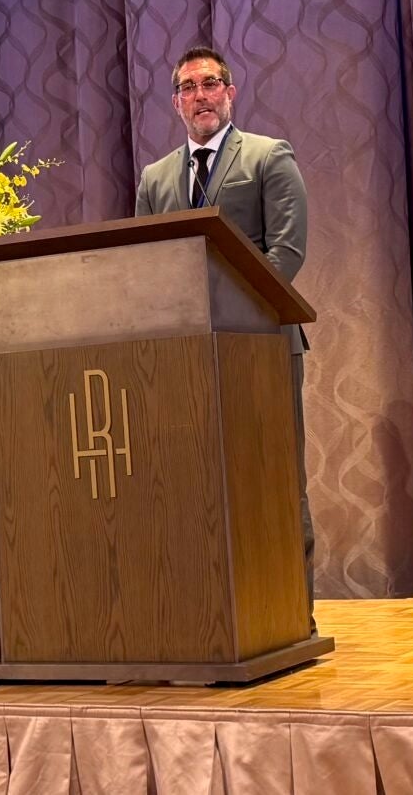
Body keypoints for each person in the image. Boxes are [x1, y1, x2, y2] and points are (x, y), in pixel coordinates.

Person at [135, 44, 316, 628]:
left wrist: (225, 311)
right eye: (188, 87)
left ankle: (290, 614)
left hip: (261, 347)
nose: (200, 96)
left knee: (273, 481)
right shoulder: (155, 178)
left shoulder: (268, 156)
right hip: (186, 357)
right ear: (176, 103)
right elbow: (149, 264)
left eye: (210, 84)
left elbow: (286, 253)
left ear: (230, 93)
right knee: (195, 486)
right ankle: (206, 617)